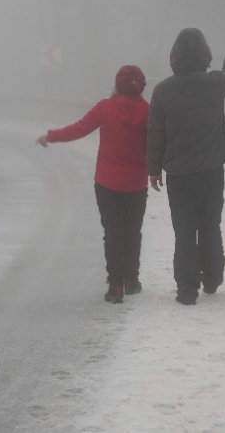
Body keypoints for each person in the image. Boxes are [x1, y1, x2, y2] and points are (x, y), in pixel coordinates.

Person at [36, 65, 149, 304]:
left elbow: (79, 129)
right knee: (132, 231)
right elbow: (157, 143)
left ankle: (115, 285)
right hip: (136, 183)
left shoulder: (105, 108)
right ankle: (131, 279)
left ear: (117, 84)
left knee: (113, 232)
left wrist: (52, 136)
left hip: (107, 183)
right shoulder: (148, 111)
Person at [147, 28, 225, 305]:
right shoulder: (214, 83)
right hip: (211, 171)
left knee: (184, 229)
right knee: (211, 224)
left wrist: (153, 169)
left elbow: (155, 134)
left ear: (174, 58)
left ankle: (186, 289)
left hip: (178, 174)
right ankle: (212, 277)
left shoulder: (162, 91)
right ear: (205, 56)